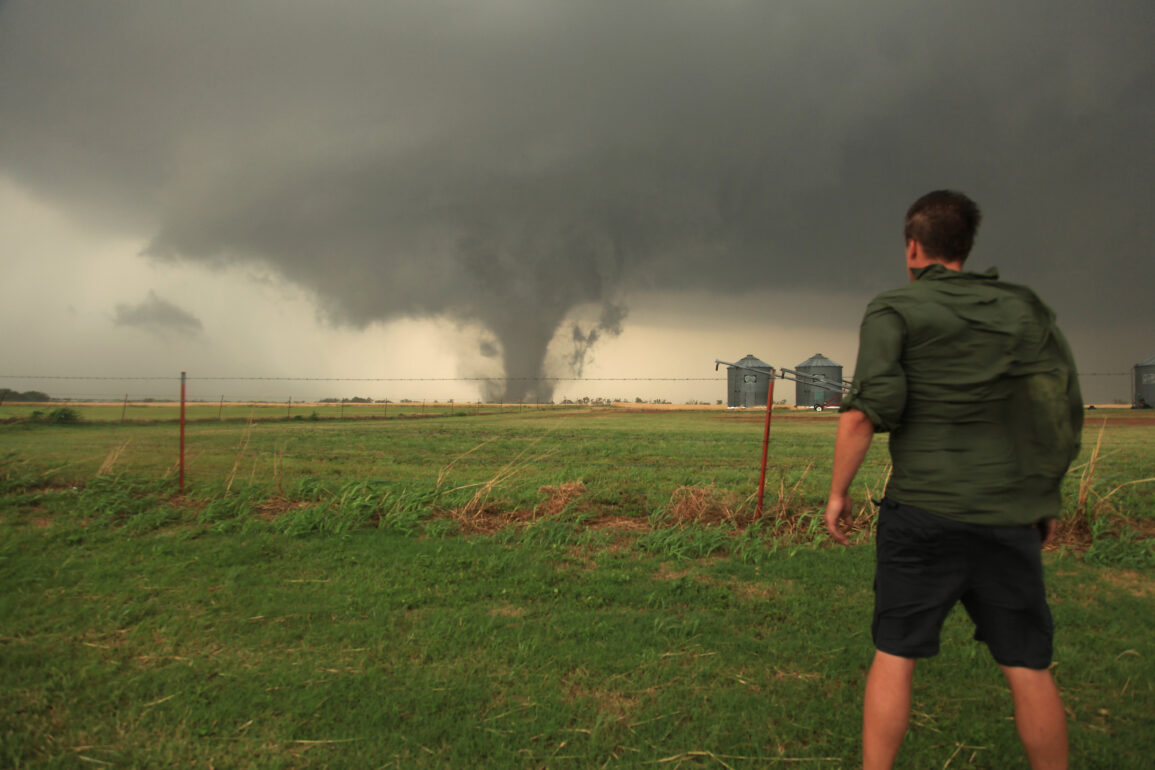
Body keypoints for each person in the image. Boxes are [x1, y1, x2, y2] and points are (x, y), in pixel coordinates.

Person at [824, 190, 1083, 769]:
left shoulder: (895, 309)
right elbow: (1060, 408)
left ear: (914, 247)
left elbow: (865, 412)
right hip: (1007, 516)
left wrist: (839, 494)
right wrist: (1041, 496)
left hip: (921, 514)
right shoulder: (1025, 310)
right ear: (966, 246)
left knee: (894, 654)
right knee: (1028, 666)